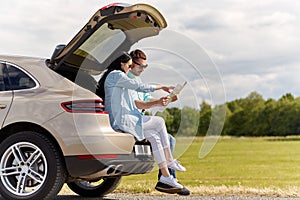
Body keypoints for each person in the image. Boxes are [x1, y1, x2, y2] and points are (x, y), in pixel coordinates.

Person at [97, 52, 186, 193]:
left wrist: (164, 99)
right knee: (159, 122)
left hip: (130, 119)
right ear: (122, 64)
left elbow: (143, 94)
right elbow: (139, 91)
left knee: (155, 137)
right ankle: (169, 160)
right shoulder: (117, 75)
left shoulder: (120, 77)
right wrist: (162, 87)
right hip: (123, 121)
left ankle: (166, 176)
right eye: (130, 65)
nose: (131, 67)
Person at [128, 49, 190, 195]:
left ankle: (167, 178)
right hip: (133, 121)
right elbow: (137, 103)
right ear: (131, 64)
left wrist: (165, 100)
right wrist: (157, 102)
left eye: (145, 66)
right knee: (164, 130)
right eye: (140, 66)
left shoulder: (137, 81)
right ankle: (168, 179)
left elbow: (146, 99)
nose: (143, 69)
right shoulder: (127, 81)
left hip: (140, 120)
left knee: (170, 139)